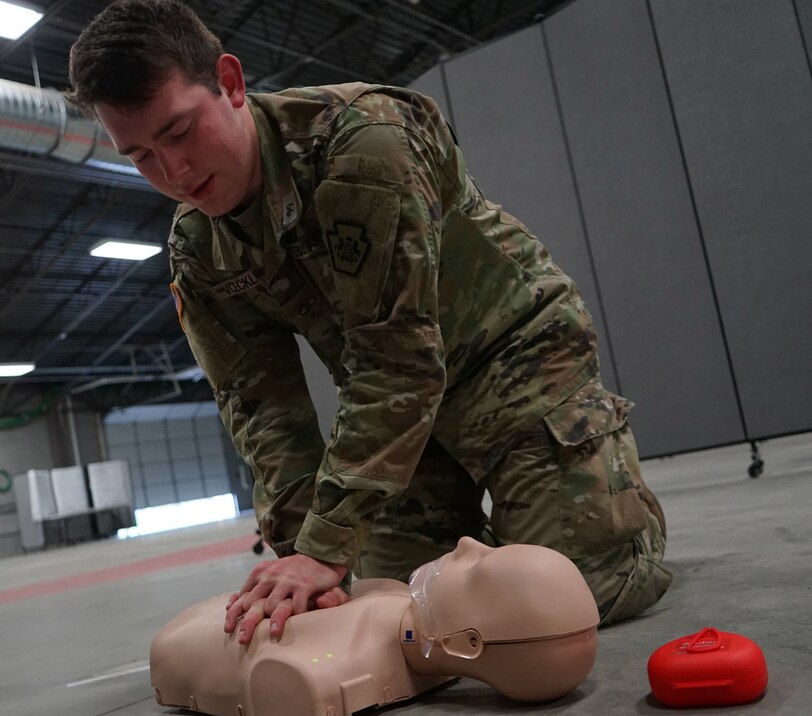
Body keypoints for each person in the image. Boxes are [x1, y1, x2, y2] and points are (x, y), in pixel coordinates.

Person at [68, 0, 672, 641]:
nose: (175, 173)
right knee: (400, 616)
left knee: (567, 607)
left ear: (231, 83)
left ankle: (619, 524)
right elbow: (261, 408)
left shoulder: (363, 142)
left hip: (515, 359)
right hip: (403, 418)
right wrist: (307, 555)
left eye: (180, 132)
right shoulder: (198, 249)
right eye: (140, 157)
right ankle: (507, 539)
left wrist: (329, 545)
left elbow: (399, 359)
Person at [149, 538, 600, 716]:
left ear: (469, 644)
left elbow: (283, 677)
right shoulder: (391, 592)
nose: (467, 543)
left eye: (477, 567)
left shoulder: (322, 669)